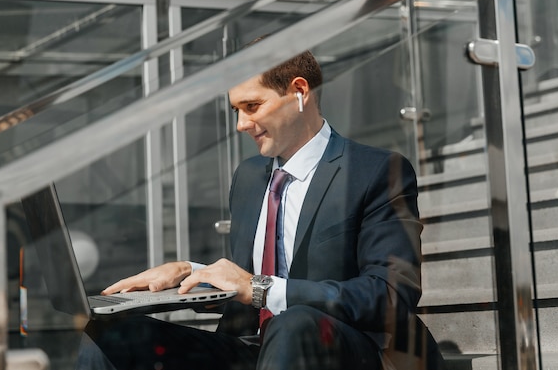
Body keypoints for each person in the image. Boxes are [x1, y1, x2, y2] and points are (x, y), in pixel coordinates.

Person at [77, 43, 444, 370]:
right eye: (236, 110)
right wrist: (189, 273)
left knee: (294, 322)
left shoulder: (374, 171)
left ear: (300, 92)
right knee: (111, 334)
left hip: (355, 350)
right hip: (254, 348)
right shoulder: (250, 177)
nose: (240, 124)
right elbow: (246, 281)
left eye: (252, 106)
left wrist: (260, 289)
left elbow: (392, 295)